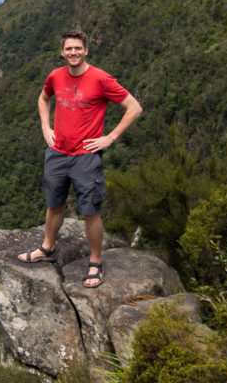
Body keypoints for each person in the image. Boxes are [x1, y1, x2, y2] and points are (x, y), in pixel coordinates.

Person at [17, 30, 142, 288]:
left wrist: (110, 137)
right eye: (68, 49)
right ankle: (47, 248)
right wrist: (45, 127)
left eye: (77, 48)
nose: (73, 53)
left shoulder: (101, 79)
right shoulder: (55, 76)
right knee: (54, 204)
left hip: (86, 157)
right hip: (58, 153)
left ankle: (95, 262)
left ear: (86, 50)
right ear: (62, 52)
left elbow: (134, 107)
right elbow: (43, 99)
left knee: (90, 211)